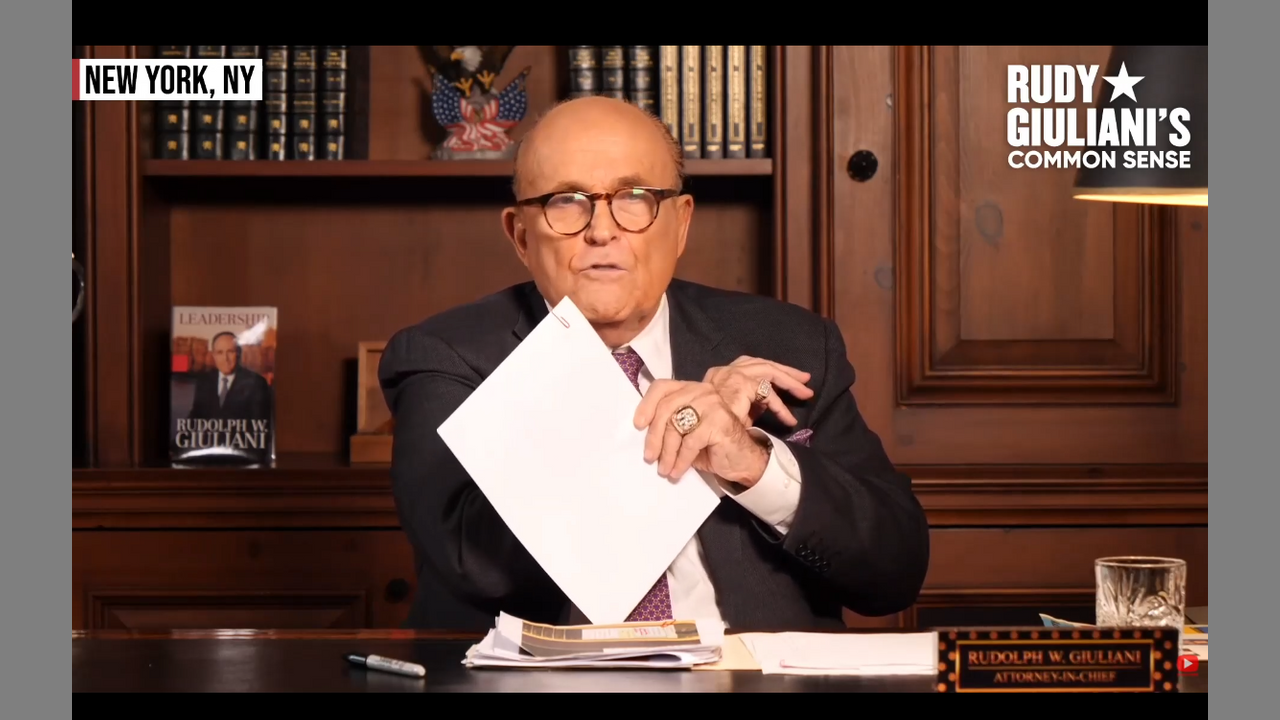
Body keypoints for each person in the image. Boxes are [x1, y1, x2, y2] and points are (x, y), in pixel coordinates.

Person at [380, 96, 929, 631]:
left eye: (634, 197)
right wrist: (640, 434)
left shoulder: (793, 343)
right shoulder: (443, 357)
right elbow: (473, 566)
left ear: (681, 223)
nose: (602, 230)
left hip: (759, 672)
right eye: (566, 200)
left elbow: (895, 572)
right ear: (521, 235)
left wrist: (751, 460)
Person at [188, 331, 271, 422]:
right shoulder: (204, 381)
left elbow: (260, 425)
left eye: (230, 352)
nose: (225, 359)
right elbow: (194, 417)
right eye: (220, 353)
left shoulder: (256, 383)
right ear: (214, 356)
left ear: (238, 353)